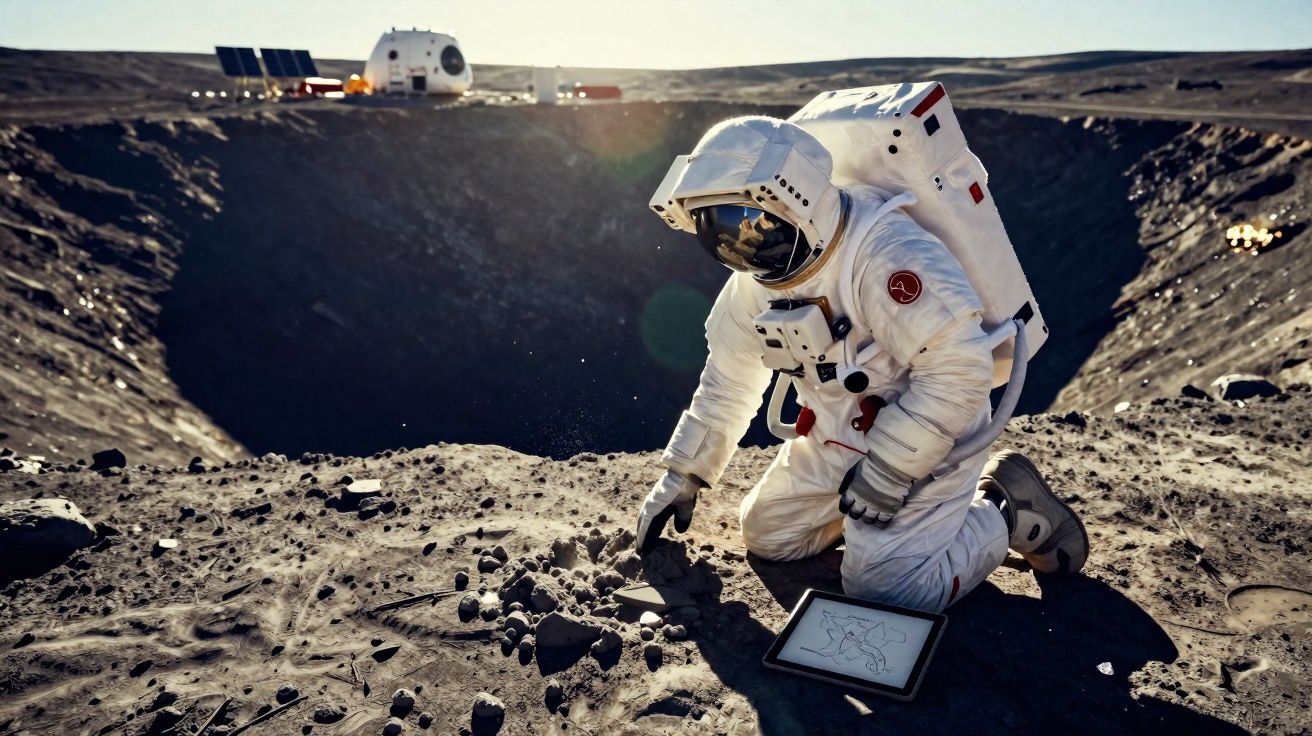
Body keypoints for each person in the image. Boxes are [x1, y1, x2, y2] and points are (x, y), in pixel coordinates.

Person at [635, 116, 1088, 612]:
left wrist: (890, 471)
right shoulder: (755, 282)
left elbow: (959, 370)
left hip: (927, 444)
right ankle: (874, 522)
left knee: (886, 591)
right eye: (717, 229)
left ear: (795, 200)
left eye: (749, 222)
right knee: (768, 536)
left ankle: (1003, 508)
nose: (740, 244)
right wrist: (684, 474)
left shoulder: (884, 255)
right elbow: (729, 379)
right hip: (834, 433)